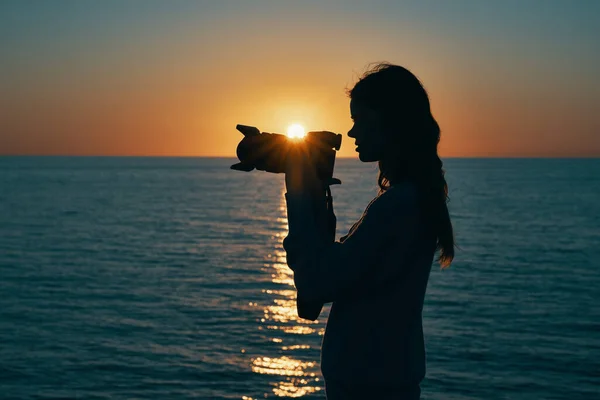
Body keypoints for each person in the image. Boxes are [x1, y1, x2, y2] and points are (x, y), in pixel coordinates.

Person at [282, 63, 455, 400]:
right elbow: (314, 299)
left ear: (388, 121)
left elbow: (314, 282)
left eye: (358, 120)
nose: (352, 134)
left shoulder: (398, 206)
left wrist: (300, 189)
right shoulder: (408, 199)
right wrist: (314, 195)